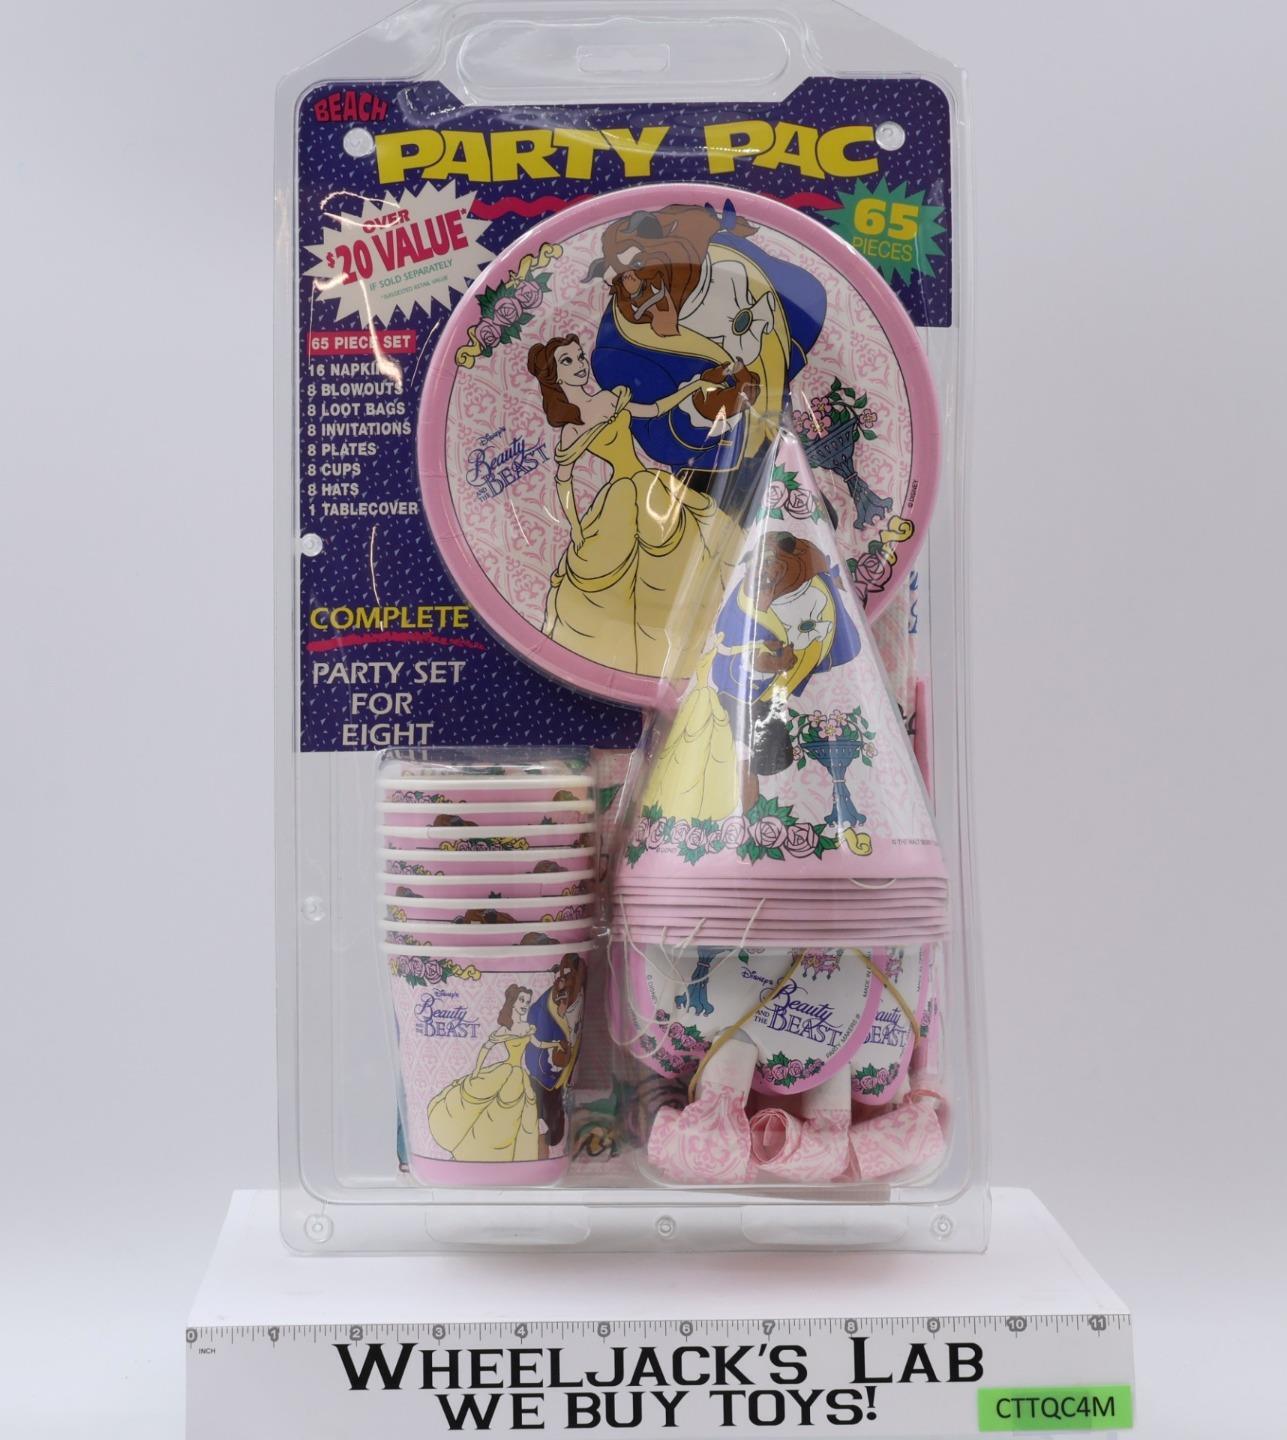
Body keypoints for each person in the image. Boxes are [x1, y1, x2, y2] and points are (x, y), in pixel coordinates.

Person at [526, 335, 740, 679]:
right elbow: (563, 480)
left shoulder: (610, 398)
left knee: (691, 548)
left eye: (579, 357)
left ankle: (711, 628)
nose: (579, 365)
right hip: (621, 499)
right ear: (555, 376)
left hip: (651, 485)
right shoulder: (571, 429)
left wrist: (694, 386)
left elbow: (656, 409)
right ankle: (644, 660)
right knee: (623, 574)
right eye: (567, 361)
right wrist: (576, 529)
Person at [426, 985, 561, 1163]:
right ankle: (474, 1152)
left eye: (527, 1002)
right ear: (513, 1002)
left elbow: (539, 1044)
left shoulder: (527, 1028)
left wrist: (555, 1044)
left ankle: (512, 1159)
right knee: (493, 1112)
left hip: (519, 1076)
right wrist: (477, 1071)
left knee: (517, 1118)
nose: (524, 1004)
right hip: (505, 1072)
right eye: (521, 1000)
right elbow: (486, 1048)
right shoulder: (505, 1029)